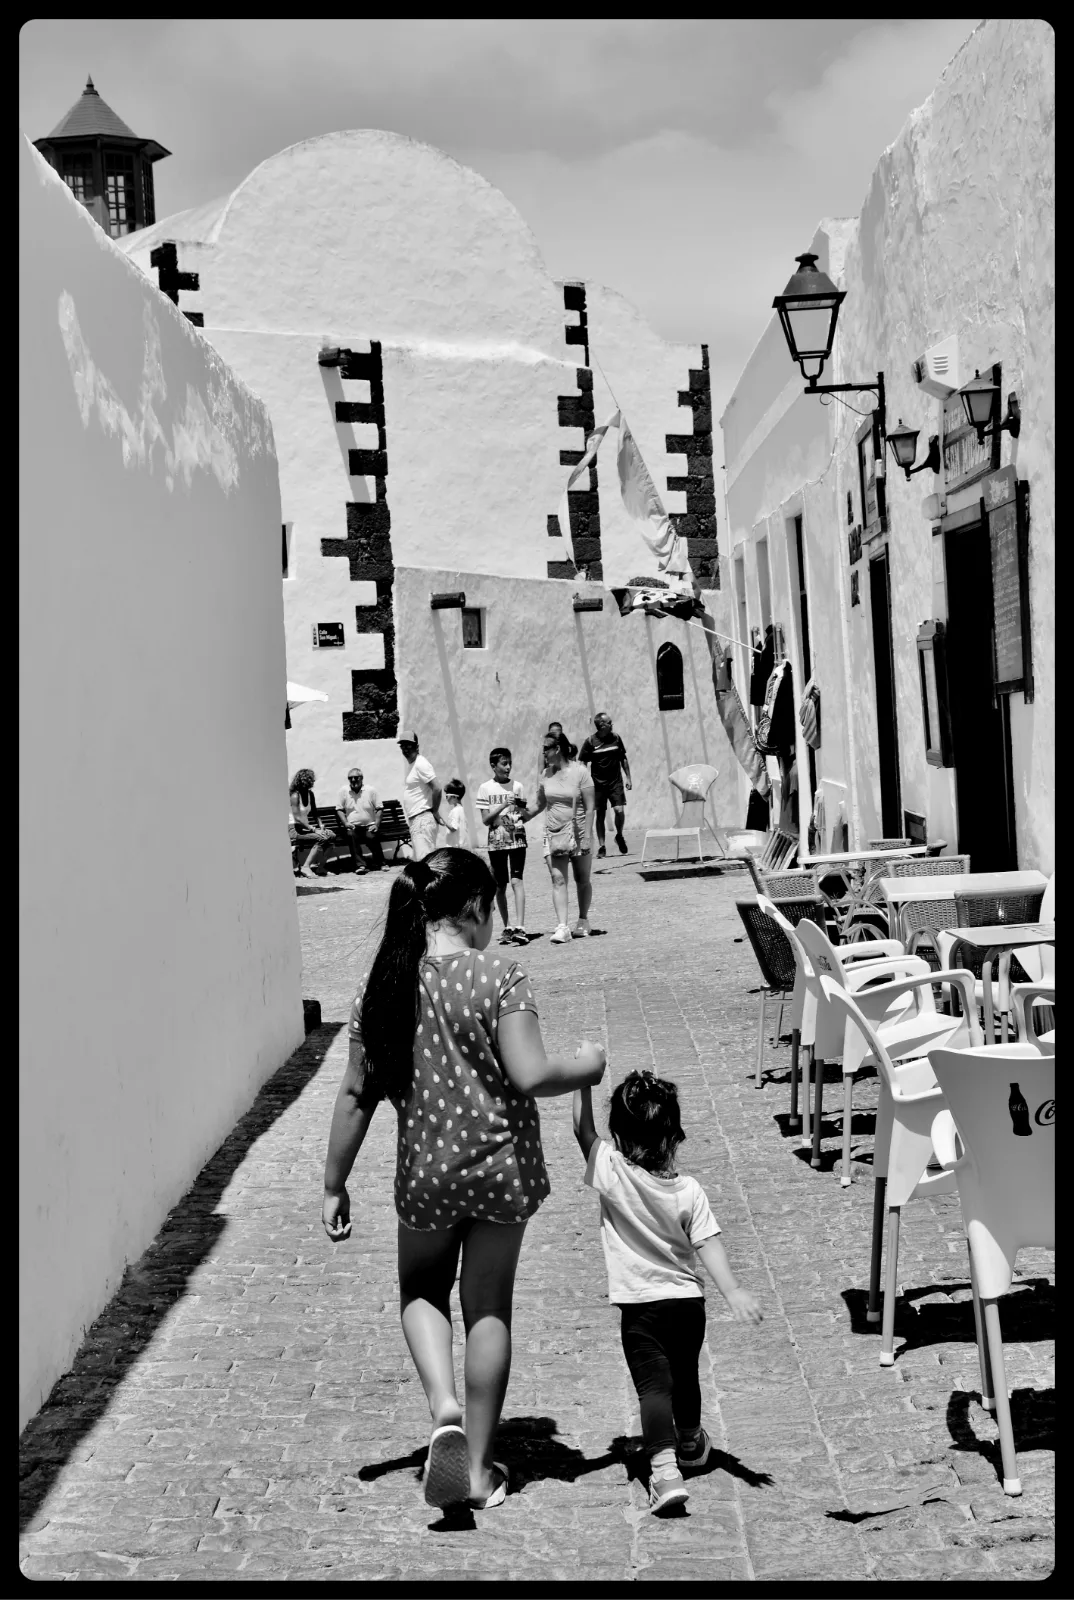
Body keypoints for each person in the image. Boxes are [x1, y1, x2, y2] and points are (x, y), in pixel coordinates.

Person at [321, 848, 606, 1510]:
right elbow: (531, 1074)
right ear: (476, 907)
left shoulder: (385, 987)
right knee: (488, 1307)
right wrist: (587, 1067)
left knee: (422, 1288)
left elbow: (356, 1095)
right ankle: (476, 1471)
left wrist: (334, 1182)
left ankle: (442, 1402)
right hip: (503, 1172)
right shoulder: (500, 976)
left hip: (427, 1174)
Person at [573, 1071, 763, 1516]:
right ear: (674, 1134)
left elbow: (582, 1130)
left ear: (619, 1133)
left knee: (654, 1389)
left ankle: (664, 1472)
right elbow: (707, 1242)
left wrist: (582, 1079)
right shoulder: (689, 1190)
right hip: (687, 1305)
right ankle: (691, 1441)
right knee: (685, 1376)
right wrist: (732, 1289)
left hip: (641, 1308)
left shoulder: (612, 1173)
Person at [530, 730, 595, 944]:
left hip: (578, 833)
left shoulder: (580, 772)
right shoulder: (546, 774)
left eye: (546, 749)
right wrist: (521, 816)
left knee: (582, 879)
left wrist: (587, 837)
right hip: (555, 833)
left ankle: (583, 920)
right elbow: (539, 804)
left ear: (557, 749)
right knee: (558, 879)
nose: (543, 753)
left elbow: (590, 807)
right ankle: (562, 927)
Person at [475, 748, 529, 947]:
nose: (508, 767)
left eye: (509, 763)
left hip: (517, 839)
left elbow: (524, 814)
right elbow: (486, 820)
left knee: (517, 881)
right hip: (496, 843)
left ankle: (520, 927)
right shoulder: (485, 788)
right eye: (504, 763)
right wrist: (503, 805)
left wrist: (520, 807)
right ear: (493, 766)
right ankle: (507, 926)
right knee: (500, 885)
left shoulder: (518, 786)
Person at [579, 712, 632, 857]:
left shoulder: (616, 738)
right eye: (609, 722)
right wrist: (583, 781)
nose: (611, 724)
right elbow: (583, 762)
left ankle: (619, 835)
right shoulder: (590, 742)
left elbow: (623, 758)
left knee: (619, 810)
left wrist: (628, 778)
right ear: (602, 726)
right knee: (600, 814)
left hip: (615, 782)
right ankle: (602, 846)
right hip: (598, 785)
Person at [397, 731, 442, 861]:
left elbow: (437, 788)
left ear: (416, 747)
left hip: (422, 819)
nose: (405, 749)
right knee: (422, 861)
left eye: (408, 745)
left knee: (425, 862)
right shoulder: (413, 765)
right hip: (417, 819)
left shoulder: (421, 764)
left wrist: (435, 811)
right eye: (402, 746)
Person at [335, 767, 385, 874]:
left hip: (369, 825)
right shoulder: (343, 791)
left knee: (371, 836)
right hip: (353, 826)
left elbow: (379, 808)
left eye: (356, 778)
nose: (353, 780)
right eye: (350, 778)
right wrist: (346, 823)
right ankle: (361, 865)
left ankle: (381, 862)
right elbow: (339, 809)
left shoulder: (371, 790)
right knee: (351, 835)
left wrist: (376, 824)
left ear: (362, 778)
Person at [290, 768, 332, 877]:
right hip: (295, 829)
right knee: (321, 838)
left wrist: (321, 826)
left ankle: (320, 868)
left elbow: (315, 813)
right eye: (311, 780)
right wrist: (314, 829)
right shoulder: (295, 796)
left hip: (305, 828)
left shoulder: (310, 794)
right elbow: (297, 819)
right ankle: (306, 867)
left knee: (331, 835)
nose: (312, 782)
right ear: (304, 781)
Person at [440, 781, 468, 849]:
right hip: (462, 847)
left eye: (447, 796)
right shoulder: (462, 809)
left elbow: (453, 828)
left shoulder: (455, 810)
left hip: (454, 848)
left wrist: (442, 820)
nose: (446, 799)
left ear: (455, 797)